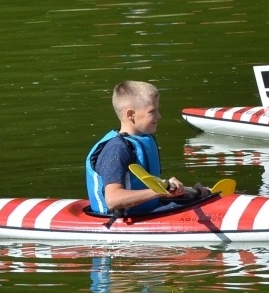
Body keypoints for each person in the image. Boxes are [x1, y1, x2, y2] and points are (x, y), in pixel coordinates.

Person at [85, 80, 208, 216]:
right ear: (131, 114)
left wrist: (189, 193)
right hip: (120, 219)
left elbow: (146, 190)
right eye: (152, 111)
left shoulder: (143, 139)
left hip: (145, 210)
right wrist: (160, 190)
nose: (159, 116)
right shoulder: (116, 149)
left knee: (199, 199)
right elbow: (113, 200)